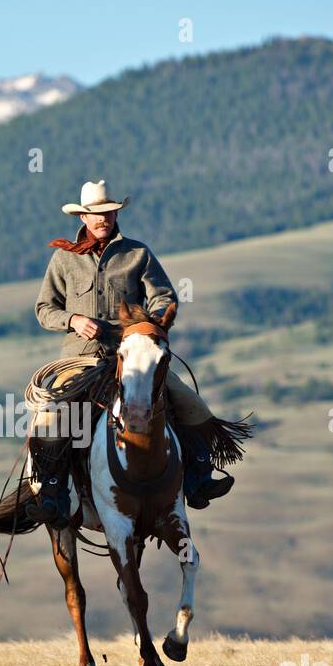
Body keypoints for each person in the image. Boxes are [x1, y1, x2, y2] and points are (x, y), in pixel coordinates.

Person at [28, 179, 235, 527]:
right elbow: (44, 309)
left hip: (132, 354)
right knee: (53, 417)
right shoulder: (64, 259)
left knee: (190, 403)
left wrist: (146, 326)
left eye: (108, 213)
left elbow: (164, 296)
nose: (102, 219)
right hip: (80, 356)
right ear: (82, 218)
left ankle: (198, 478)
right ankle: (52, 494)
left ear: (115, 214)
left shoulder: (138, 253)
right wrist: (74, 319)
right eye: (95, 215)